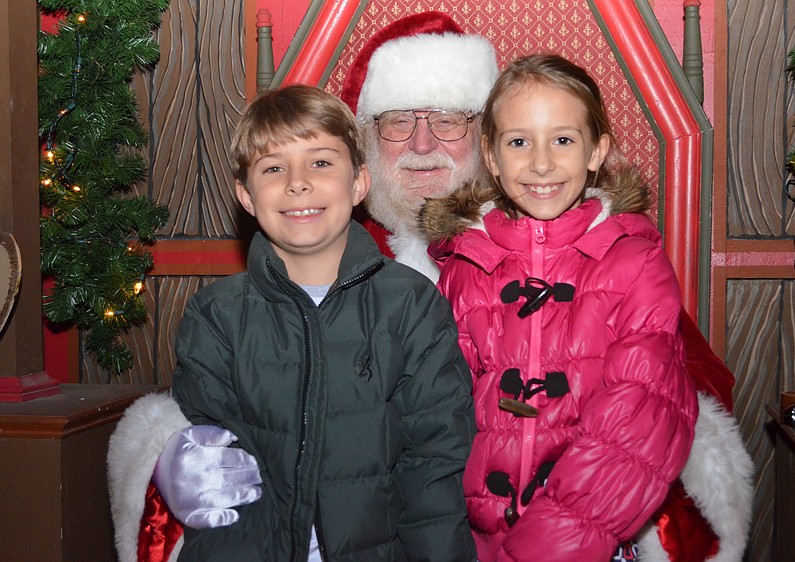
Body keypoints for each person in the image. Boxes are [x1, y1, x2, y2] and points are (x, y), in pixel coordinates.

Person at [109, 11, 753, 562]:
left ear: (485, 143)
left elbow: (668, 395)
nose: (422, 144)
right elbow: (216, 417)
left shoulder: (600, 256)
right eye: (396, 122)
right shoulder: (299, 267)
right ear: (366, 151)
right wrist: (171, 461)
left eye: (447, 120)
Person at [112, 84, 477, 562]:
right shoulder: (216, 316)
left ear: (359, 183)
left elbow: (434, 469)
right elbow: (219, 480)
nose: (297, 182)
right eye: (273, 168)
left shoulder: (410, 304)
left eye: (321, 162)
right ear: (246, 195)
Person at [419, 53, 697, 561]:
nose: (541, 163)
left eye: (563, 140)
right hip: (476, 540)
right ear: (493, 156)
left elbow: (637, 427)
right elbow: (435, 416)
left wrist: (541, 549)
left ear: (597, 151)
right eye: (519, 141)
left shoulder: (634, 263)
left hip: (586, 542)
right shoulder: (465, 267)